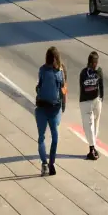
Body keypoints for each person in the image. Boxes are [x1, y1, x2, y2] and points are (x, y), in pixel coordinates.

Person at [35, 45, 67, 175]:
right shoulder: (59, 72)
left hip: (41, 108)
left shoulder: (42, 70)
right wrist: (63, 104)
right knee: (55, 137)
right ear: (56, 58)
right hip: (54, 109)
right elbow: (63, 89)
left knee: (41, 137)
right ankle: (52, 162)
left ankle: (44, 163)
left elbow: (39, 87)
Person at [79, 51, 104, 159]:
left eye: (96, 62)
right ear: (90, 62)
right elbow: (83, 88)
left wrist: (101, 98)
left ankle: (93, 146)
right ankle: (92, 147)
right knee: (89, 124)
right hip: (87, 101)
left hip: (94, 100)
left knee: (94, 123)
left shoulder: (96, 71)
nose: (96, 64)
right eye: (94, 62)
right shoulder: (86, 73)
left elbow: (101, 85)